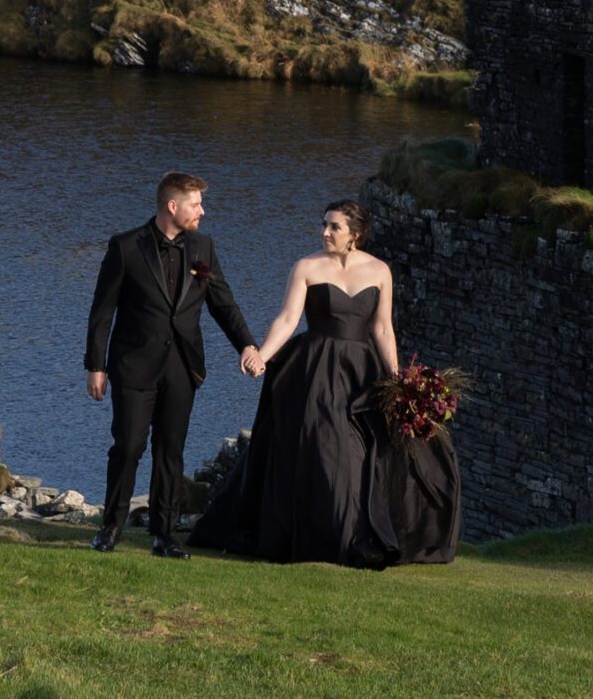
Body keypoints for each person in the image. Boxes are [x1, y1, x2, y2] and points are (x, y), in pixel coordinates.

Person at [189, 199, 460, 566]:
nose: (325, 232)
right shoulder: (306, 266)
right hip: (315, 368)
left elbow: (382, 327)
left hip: (362, 372)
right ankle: (325, 537)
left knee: (359, 454)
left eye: (334, 227)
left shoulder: (380, 271)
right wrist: (262, 355)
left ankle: (351, 537)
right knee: (325, 448)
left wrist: (398, 380)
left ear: (356, 235)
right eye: (324, 225)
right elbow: (287, 319)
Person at [83, 170, 262, 557]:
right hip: (133, 364)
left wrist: (247, 345)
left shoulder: (203, 248)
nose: (203, 211)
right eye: (196, 204)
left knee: (171, 450)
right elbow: (102, 312)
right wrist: (95, 366)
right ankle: (110, 527)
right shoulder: (126, 247)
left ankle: (164, 536)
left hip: (183, 366)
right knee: (128, 447)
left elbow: (223, 304)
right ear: (172, 206)